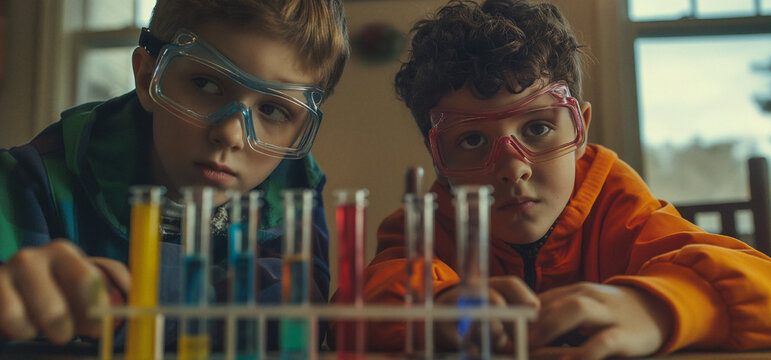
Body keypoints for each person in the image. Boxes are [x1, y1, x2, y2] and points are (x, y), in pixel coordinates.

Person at [336, 0, 771, 358]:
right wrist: (437, 308)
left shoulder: (622, 208)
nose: (512, 168)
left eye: (539, 128)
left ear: (580, 131)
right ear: (439, 160)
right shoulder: (424, 228)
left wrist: (655, 309)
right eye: (471, 140)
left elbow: (759, 280)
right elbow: (357, 303)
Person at [0, 0, 349, 349]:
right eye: (206, 84)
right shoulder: (31, 179)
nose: (230, 134)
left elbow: (282, 327)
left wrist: (119, 304)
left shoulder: (292, 192)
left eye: (273, 109)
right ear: (148, 77)